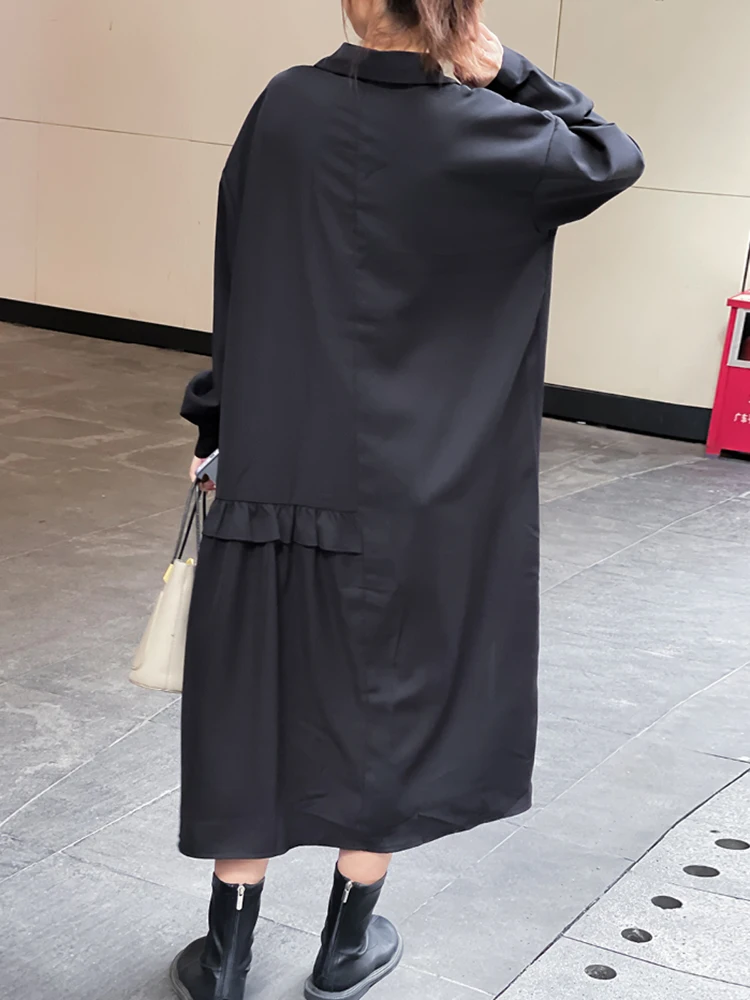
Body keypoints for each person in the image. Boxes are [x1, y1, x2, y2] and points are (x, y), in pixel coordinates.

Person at [174, 1, 644, 998]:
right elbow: (612, 153)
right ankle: (344, 947)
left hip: (282, 461)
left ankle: (225, 957)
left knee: (253, 689)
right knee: (395, 691)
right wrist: (509, 70)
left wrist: (217, 423)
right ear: (461, 14)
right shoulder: (497, 133)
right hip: (422, 487)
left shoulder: (284, 109)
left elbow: (237, 276)